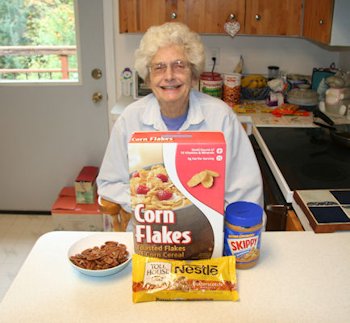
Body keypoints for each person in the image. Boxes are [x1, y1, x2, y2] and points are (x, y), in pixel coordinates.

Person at [97, 22, 263, 223]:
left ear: (193, 76)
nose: (169, 76)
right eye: (159, 68)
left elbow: (246, 191)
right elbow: (109, 183)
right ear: (148, 79)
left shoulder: (222, 118)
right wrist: (150, 205)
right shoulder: (129, 120)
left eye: (179, 65)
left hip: (208, 231)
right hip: (148, 235)